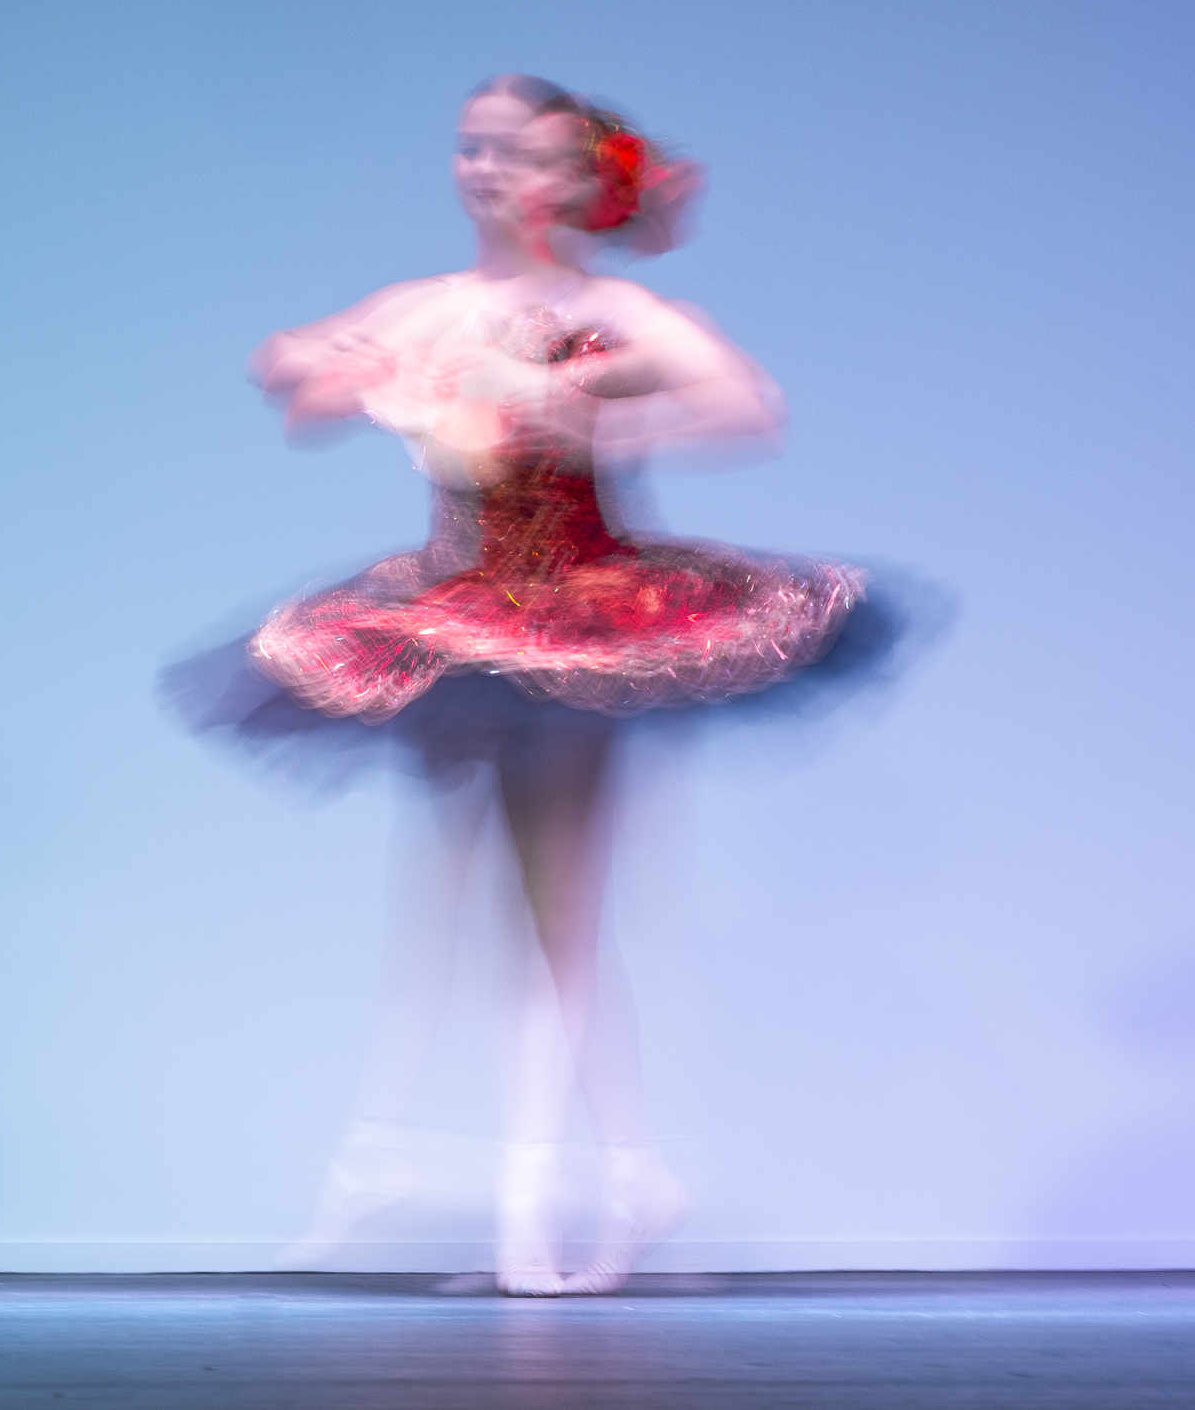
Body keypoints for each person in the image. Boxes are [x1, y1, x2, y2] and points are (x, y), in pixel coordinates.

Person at [167, 75, 867, 1295]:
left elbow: (748, 406)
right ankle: (603, 1180)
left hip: (580, 621)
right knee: (511, 920)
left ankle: (530, 1212)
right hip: (456, 618)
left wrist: (601, 413)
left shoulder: (613, 314)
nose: (487, 172)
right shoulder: (430, 305)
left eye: (517, 155)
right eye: (472, 149)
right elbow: (299, 388)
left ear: (579, 182)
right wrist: (323, 367)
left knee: (557, 920)